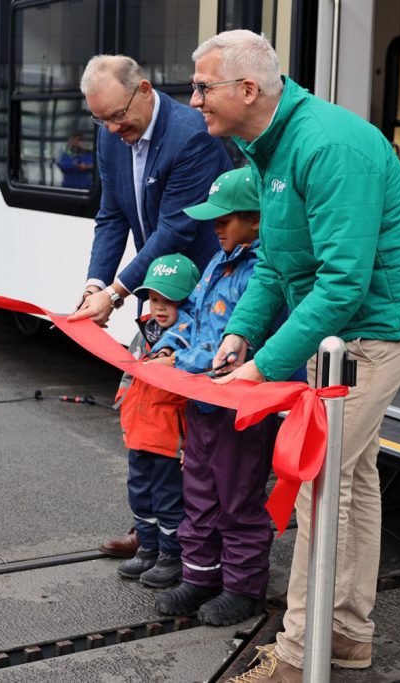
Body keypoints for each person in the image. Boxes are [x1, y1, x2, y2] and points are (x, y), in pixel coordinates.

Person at [191, 31, 400, 680]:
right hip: (340, 335)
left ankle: (299, 656)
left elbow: (341, 283)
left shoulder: (327, 145)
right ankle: (350, 636)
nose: (193, 100)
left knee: (315, 484)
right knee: (351, 479)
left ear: (248, 90)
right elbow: (275, 261)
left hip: (375, 331)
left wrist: (263, 365)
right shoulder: (268, 146)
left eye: (202, 87)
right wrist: (238, 334)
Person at [68, 54, 232, 559]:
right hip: (160, 295)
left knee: (198, 425)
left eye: (118, 116)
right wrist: (94, 281)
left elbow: (178, 230)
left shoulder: (191, 135)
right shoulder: (109, 134)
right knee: (153, 419)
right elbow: (111, 215)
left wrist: (116, 293)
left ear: (143, 89)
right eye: (101, 120)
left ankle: (203, 541)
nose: (113, 129)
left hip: (206, 294)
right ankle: (156, 532)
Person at [146, 167, 279, 627]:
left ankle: (243, 589)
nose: (215, 228)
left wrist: (178, 365)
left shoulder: (264, 270)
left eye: (225, 221)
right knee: (198, 493)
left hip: (239, 409)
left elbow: (232, 340)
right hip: (201, 406)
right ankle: (201, 576)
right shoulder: (215, 263)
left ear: (256, 220)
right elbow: (193, 319)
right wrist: (168, 347)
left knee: (238, 499)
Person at [114, 253, 201, 588]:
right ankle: (148, 548)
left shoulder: (189, 337)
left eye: (170, 300)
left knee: (168, 499)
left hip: (168, 439)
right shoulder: (145, 329)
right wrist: (122, 405)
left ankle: (170, 555)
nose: (160, 307)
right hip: (139, 432)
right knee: (140, 494)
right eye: (154, 299)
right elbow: (128, 372)